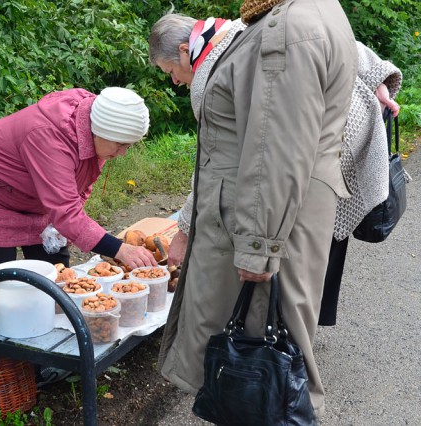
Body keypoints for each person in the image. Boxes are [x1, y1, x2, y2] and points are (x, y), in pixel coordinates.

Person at [151, 0, 358, 418]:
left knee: (263, 365)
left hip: (270, 219)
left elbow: (275, 147)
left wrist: (259, 244)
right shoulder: (311, 12)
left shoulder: (290, 27)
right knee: (275, 354)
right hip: (286, 212)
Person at [149, 13, 402, 327]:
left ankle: (283, 338)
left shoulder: (207, 78)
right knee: (319, 236)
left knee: (293, 233)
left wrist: (185, 231)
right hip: (352, 124)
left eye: (170, 71)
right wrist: (378, 78)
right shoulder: (240, 25)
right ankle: (303, 325)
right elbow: (336, 38)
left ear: (186, 50)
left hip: (324, 147)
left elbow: (213, 165)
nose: (174, 80)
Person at [0, 87, 158, 283]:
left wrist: (63, 224)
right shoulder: (51, 139)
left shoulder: (95, 129)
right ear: (99, 131)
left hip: (33, 187)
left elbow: (80, 185)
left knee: (55, 268)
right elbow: (66, 212)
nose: (123, 153)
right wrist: (119, 249)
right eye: (120, 145)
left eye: (128, 146)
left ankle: (49, 314)